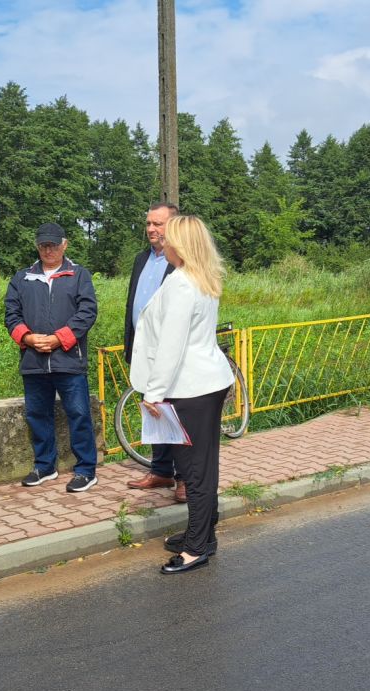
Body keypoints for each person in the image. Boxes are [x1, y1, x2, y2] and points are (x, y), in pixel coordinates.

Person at [129, 215, 234, 574]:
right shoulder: (203, 277)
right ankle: (203, 535)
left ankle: (195, 549)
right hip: (207, 382)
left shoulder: (181, 284)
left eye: (168, 238)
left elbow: (171, 345)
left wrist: (153, 393)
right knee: (204, 466)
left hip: (190, 387)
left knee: (194, 470)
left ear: (182, 244)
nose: (163, 243)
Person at [4, 223, 100, 493]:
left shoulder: (79, 275)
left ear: (64, 245)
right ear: (37, 246)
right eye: (44, 245)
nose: (48, 250)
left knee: (79, 414)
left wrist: (60, 338)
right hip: (33, 361)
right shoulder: (22, 278)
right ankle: (45, 465)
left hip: (69, 360)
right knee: (37, 414)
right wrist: (27, 338)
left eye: (53, 245)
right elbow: (11, 314)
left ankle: (86, 470)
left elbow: (87, 312)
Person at [124, 202, 186, 503]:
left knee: (178, 414)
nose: (150, 229)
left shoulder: (183, 260)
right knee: (155, 412)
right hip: (144, 350)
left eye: (157, 224)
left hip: (171, 352)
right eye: (148, 223)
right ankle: (161, 470)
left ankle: (184, 477)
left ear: (173, 226)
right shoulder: (141, 259)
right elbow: (133, 304)